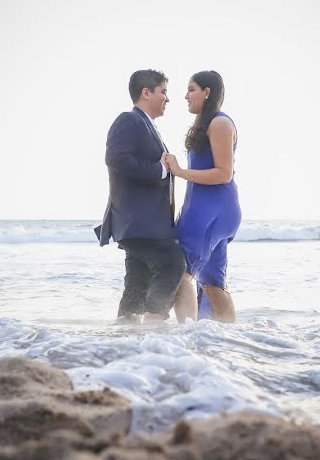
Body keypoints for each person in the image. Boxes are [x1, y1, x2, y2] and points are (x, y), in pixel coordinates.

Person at [96, 69, 186, 323]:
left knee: (136, 282)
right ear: (146, 93)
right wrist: (159, 169)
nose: (167, 99)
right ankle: (154, 326)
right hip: (141, 222)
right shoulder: (129, 120)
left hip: (140, 223)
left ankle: (127, 336)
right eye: (163, 92)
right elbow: (116, 158)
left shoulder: (148, 125)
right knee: (172, 264)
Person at [164, 71, 241, 323]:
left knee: (180, 273)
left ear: (207, 92)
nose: (186, 96)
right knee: (212, 284)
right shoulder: (204, 124)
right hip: (211, 210)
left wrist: (179, 171)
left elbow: (224, 173)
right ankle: (228, 340)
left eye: (191, 89)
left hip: (212, 211)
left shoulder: (219, 123)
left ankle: (187, 340)